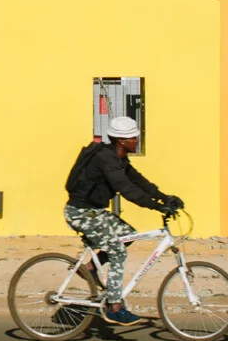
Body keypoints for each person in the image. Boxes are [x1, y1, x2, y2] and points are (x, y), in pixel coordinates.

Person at [62, 116, 184, 327]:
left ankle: (91, 267)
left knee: (128, 233)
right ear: (121, 141)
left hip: (95, 212)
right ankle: (115, 307)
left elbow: (138, 181)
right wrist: (156, 206)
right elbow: (126, 189)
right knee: (118, 250)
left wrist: (165, 197)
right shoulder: (105, 159)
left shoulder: (119, 158)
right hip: (81, 213)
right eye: (133, 138)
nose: (137, 140)